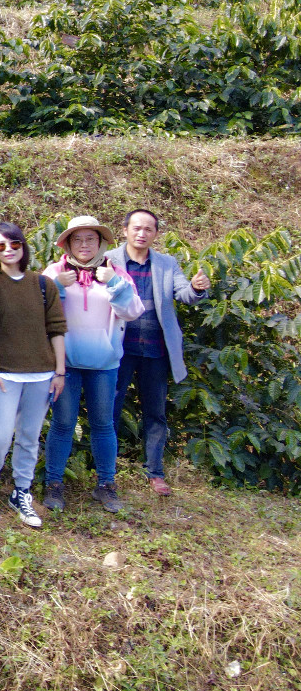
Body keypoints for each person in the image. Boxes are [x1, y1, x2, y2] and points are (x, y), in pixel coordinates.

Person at [41, 215, 144, 514]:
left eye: (90, 239)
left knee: (103, 425)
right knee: (62, 424)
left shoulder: (116, 273)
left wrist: (112, 283)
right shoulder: (53, 272)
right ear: (68, 244)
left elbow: (133, 311)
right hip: (65, 364)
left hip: (104, 364)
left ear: (100, 242)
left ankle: (106, 486)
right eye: (77, 239)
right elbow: (36, 311)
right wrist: (56, 285)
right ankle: (54, 484)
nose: (84, 245)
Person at [105, 209, 210, 497]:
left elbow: (183, 293)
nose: (142, 233)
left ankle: (155, 472)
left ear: (155, 234)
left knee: (155, 413)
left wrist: (196, 288)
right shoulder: (108, 261)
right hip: (119, 349)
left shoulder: (166, 263)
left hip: (155, 350)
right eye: (137, 227)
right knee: (111, 409)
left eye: (148, 229)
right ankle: (106, 471)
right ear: (125, 229)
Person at [0, 222, 66, 527]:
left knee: (29, 437)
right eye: (1, 246)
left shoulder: (43, 284)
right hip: (5, 376)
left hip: (41, 374)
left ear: (24, 247)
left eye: (15, 244)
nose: (9, 250)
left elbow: (57, 329)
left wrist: (59, 372)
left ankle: (21, 492)